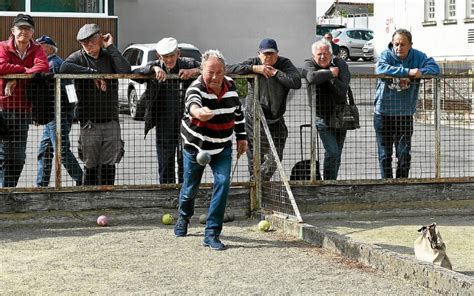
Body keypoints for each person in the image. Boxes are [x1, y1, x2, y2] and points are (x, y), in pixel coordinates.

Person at [174, 49, 247, 250]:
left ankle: (212, 233)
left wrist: (242, 137)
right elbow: (192, 105)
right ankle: (183, 216)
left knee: (223, 183)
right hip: (196, 146)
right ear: (201, 70)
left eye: (219, 72)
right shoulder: (195, 88)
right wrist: (199, 112)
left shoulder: (231, 86)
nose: (214, 77)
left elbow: (238, 113)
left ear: (224, 71)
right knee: (190, 188)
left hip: (222, 146)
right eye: (210, 72)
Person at [60, 24, 131, 185]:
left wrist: (111, 47)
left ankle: (106, 199)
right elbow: (64, 67)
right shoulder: (78, 57)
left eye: (91, 41)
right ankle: (89, 201)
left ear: (100, 38)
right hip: (89, 122)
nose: (88, 45)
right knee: (90, 165)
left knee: (109, 165)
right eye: (84, 43)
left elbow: (126, 69)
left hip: (111, 120)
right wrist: (93, 74)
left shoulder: (108, 56)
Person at [226, 38, 301, 180]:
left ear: (277, 54)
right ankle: (256, 191)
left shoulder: (284, 63)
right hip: (254, 119)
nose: (268, 57)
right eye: (265, 54)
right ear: (259, 54)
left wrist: (276, 73)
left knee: (275, 158)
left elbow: (296, 82)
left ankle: (259, 182)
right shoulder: (254, 62)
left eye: (272, 54)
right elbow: (228, 69)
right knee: (255, 159)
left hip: (276, 119)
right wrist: (254, 69)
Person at [133, 37, 200, 184]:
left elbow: (210, 68)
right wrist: (154, 69)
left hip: (188, 121)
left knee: (186, 160)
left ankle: (185, 194)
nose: (169, 60)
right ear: (159, 56)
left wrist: (193, 71)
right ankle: (166, 194)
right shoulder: (156, 66)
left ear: (178, 53)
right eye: (165, 57)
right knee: (165, 162)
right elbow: (136, 73)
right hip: (164, 121)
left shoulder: (189, 63)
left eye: (171, 55)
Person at [374, 29, 440, 179]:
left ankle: (402, 183)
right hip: (383, 113)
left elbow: (435, 68)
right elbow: (380, 69)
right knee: (385, 154)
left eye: (402, 44)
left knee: (404, 155)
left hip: (404, 114)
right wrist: (408, 72)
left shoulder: (418, 56)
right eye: (396, 44)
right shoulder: (386, 54)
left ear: (410, 45)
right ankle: (387, 183)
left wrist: (420, 73)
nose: (398, 48)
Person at [0, 14, 49, 187]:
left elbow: (43, 67)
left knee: (18, 158)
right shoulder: (3, 46)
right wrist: (26, 71)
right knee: (3, 156)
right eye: (20, 28)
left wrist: (16, 78)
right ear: (12, 31)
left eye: (27, 28)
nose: (23, 31)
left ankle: (9, 190)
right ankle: (4, 195)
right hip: (2, 108)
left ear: (32, 32)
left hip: (23, 109)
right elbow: (1, 66)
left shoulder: (37, 48)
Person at [35, 35, 83, 187]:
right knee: (45, 150)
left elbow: (58, 92)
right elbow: (70, 91)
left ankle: (81, 179)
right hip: (55, 114)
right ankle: (41, 184)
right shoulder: (56, 62)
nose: (39, 48)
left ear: (50, 48)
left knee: (61, 150)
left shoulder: (53, 64)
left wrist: (65, 112)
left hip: (57, 114)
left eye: (41, 45)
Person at [303, 39, 350, 180]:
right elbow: (311, 77)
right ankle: (328, 184)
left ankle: (331, 181)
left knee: (336, 154)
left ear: (331, 54)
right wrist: (330, 73)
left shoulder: (340, 63)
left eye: (325, 54)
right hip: (321, 116)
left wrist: (326, 78)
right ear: (313, 55)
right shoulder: (309, 63)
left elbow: (342, 89)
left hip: (340, 115)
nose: (322, 57)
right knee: (332, 152)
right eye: (319, 54)